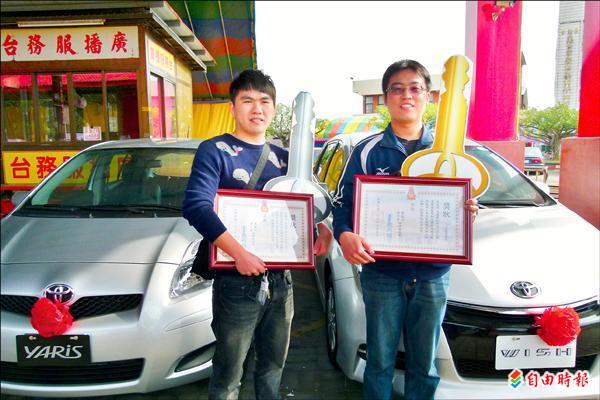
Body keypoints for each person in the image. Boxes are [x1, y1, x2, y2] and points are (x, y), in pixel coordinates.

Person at [331, 60, 478, 400]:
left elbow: (464, 206)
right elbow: (342, 205)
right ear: (385, 98)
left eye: (415, 88)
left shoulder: (450, 152)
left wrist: (469, 212)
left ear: (429, 96)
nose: (406, 95)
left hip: (433, 275)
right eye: (397, 89)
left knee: (424, 364)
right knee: (380, 360)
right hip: (382, 273)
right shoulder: (366, 152)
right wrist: (344, 234)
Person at [182, 69, 332, 400]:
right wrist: (239, 254)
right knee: (228, 375)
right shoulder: (215, 150)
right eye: (247, 100)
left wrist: (322, 230)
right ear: (233, 107)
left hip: (282, 283)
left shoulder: (286, 159)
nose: (257, 108)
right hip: (236, 283)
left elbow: (307, 203)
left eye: (264, 101)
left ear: (274, 109)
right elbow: (196, 206)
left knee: (273, 367)